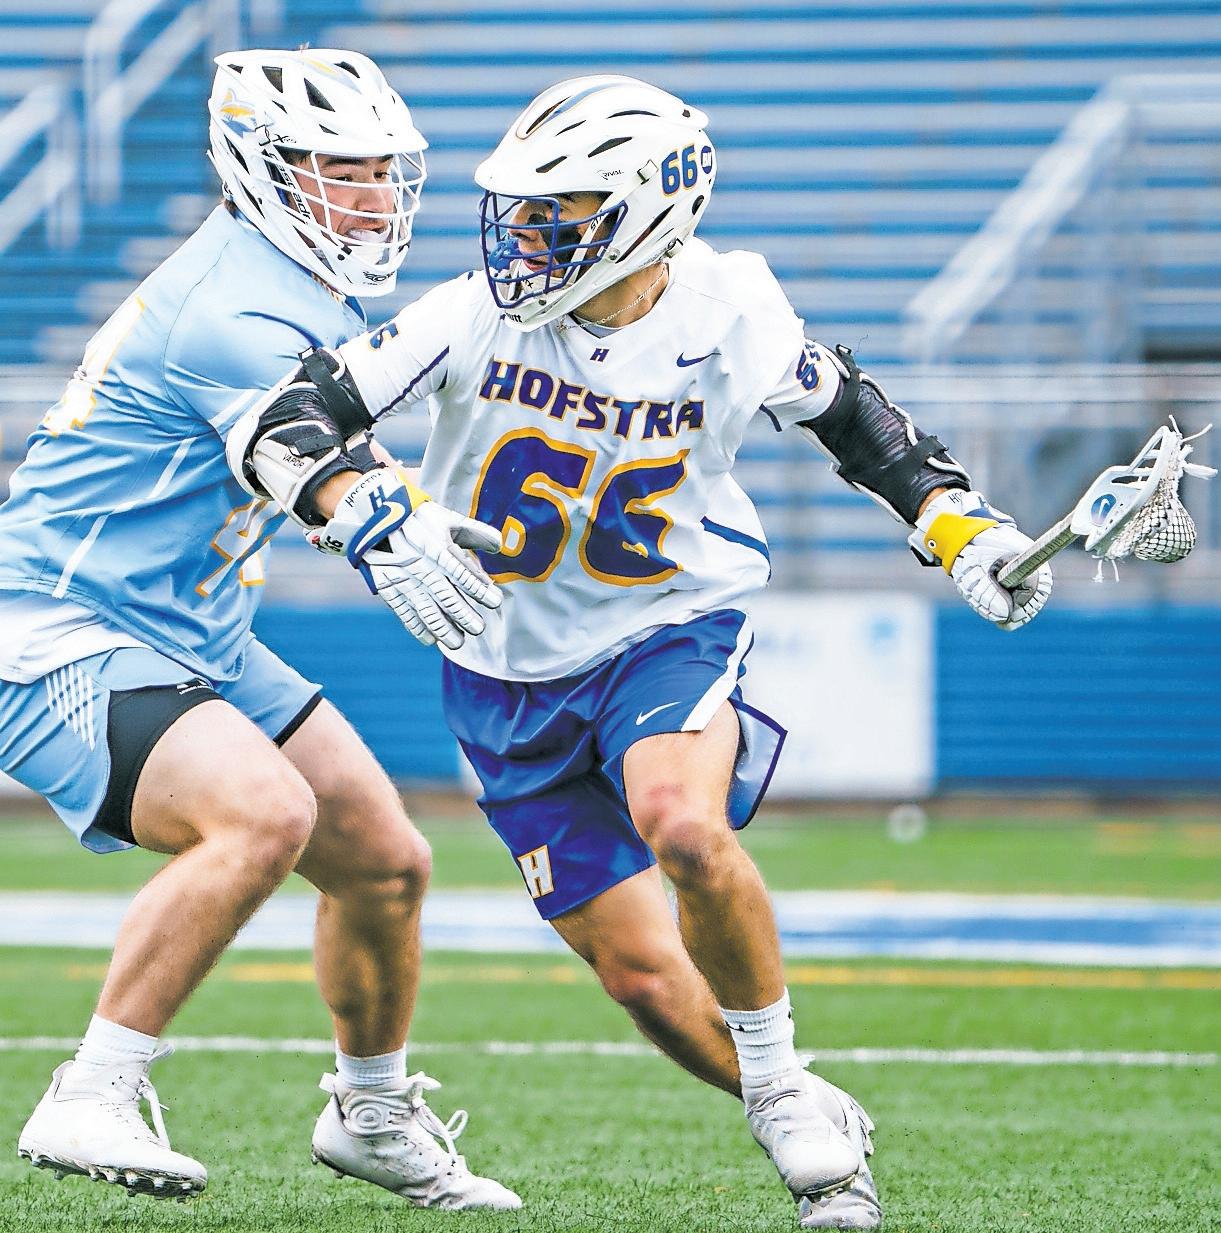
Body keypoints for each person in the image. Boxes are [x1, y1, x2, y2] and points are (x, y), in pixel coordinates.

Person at [240, 74, 1054, 1230]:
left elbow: (853, 419)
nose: (523, 233)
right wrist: (361, 506)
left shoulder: (730, 310)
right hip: (503, 668)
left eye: (558, 210)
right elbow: (289, 419)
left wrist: (956, 525)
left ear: (647, 212)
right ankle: (804, 1109)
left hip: (666, 622)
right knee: (639, 978)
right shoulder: (471, 311)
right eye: (521, 208)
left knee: (681, 821)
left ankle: (784, 1093)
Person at [0, 48, 519, 1210]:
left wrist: (405, 505)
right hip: (57, 620)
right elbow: (294, 449)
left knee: (383, 862)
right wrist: (375, 517)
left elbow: (326, 437)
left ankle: (371, 1114)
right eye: (342, 170)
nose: (373, 197)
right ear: (260, 168)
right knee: (264, 813)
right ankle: (92, 1088)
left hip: (190, 625)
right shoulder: (230, 302)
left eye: (382, 172)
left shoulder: (294, 284)